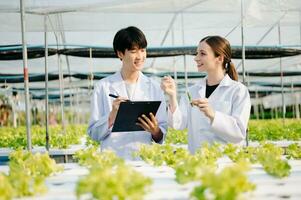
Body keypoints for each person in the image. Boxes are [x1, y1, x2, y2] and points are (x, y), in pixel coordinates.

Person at [161, 35, 251, 154]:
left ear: (219, 58)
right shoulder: (192, 91)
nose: (196, 58)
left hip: (225, 162)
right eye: (197, 53)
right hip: (197, 163)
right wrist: (172, 96)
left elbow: (239, 133)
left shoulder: (238, 91)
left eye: (202, 54)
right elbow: (178, 124)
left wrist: (213, 114)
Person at [88, 26, 167, 159]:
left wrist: (155, 131)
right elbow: (94, 133)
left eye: (143, 50)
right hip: (113, 161)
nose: (140, 56)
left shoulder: (154, 87)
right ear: (120, 54)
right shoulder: (103, 87)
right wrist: (111, 116)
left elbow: (161, 135)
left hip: (144, 160)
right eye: (133, 51)